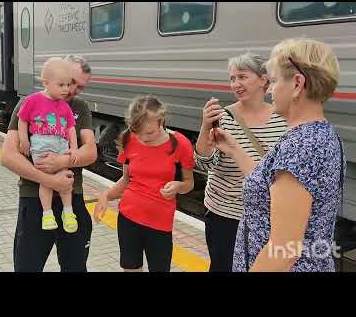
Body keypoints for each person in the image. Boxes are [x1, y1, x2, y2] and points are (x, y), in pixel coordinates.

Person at [211, 38, 346, 272]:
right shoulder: (321, 133)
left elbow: (284, 251)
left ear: (297, 84)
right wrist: (233, 149)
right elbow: (270, 185)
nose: (270, 90)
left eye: (273, 81)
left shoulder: (301, 148)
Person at [1, 54, 97, 272]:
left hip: (72, 200)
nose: (72, 90)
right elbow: (8, 156)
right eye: (70, 82)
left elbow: (90, 152)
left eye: (79, 87)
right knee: (27, 267)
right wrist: (51, 179)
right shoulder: (29, 103)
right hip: (34, 198)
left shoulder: (79, 107)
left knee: (75, 268)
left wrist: (62, 161)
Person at [194, 52, 287, 272]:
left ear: (263, 80)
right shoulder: (224, 117)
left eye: (242, 77)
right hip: (225, 215)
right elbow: (204, 163)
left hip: (267, 214)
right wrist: (206, 126)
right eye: (232, 79)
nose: (236, 84)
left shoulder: (283, 118)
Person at [94, 95, 195, 272]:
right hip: (128, 218)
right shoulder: (128, 139)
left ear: (161, 120)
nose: (143, 138)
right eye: (138, 132)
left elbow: (189, 183)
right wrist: (105, 195)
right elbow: (126, 180)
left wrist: (178, 186)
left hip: (160, 223)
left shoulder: (179, 144)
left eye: (149, 133)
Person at [17, 58, 79, 233]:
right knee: (47, 178)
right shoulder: (32, 100)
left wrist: (73, 148)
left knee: (65, 178)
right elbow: (22, 120)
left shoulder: (65, 106)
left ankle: (68, 212)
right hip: (42, 144)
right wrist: (24, 139)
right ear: (46, 82)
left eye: (68, 84)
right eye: (61, 85)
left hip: (62, 144)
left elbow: (71, 128)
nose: (66, 89)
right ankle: (47, 213)